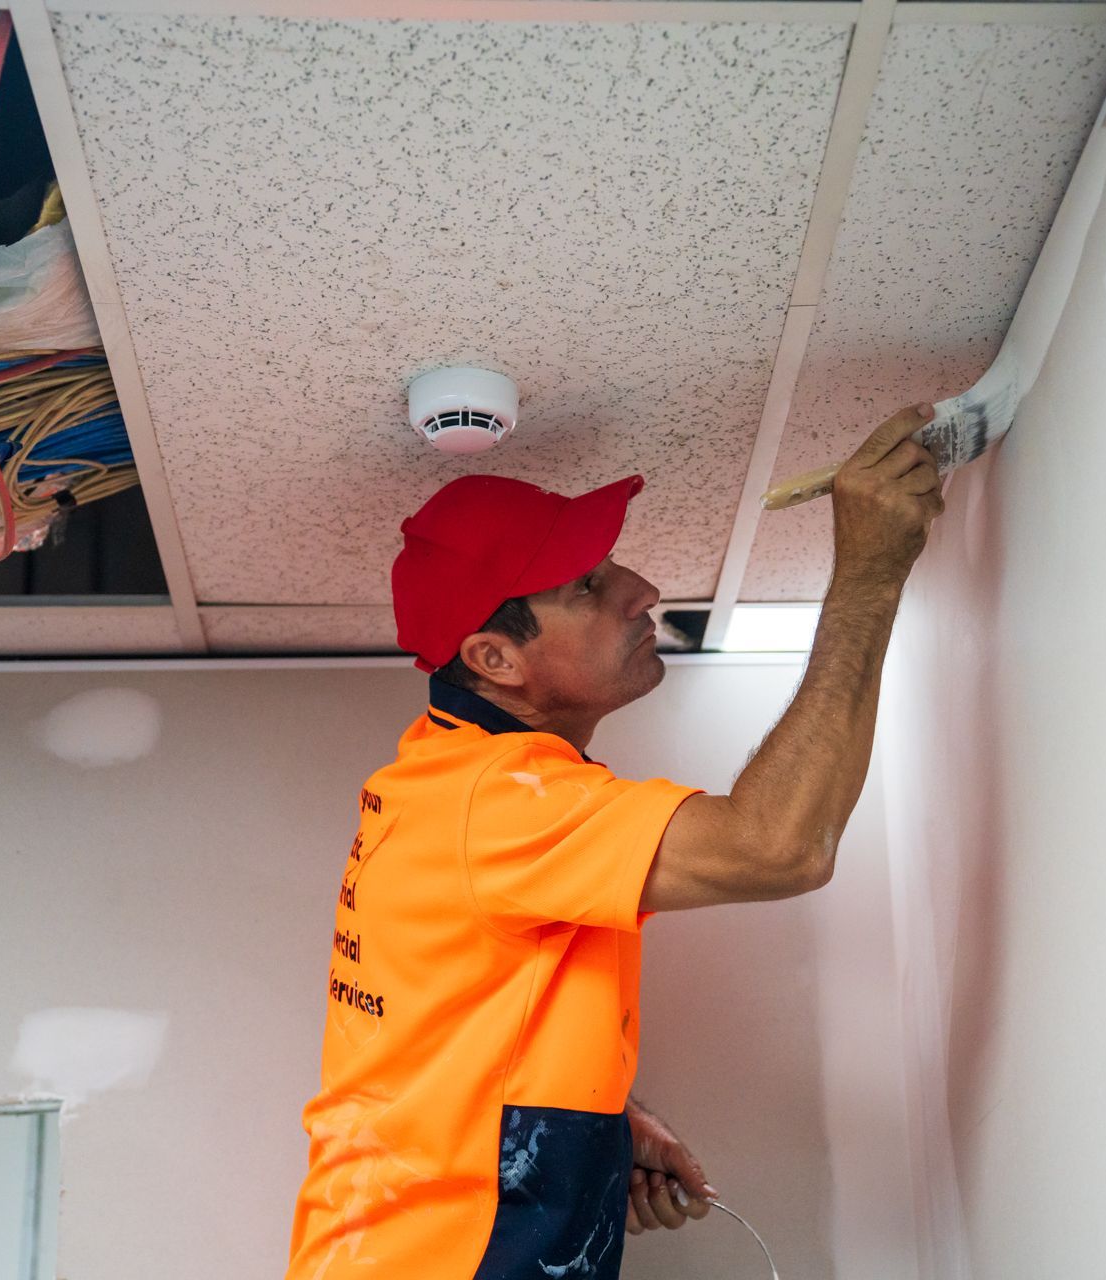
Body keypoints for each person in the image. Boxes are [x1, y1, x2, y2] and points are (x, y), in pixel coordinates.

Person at [284, 403, 945, 1279]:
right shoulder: (502, 799)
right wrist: (867, 576)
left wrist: (599, 1118)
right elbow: (779, 845)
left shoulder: (444, 780)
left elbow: (445, 1020)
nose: (637, 588)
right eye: (586, 587)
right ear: (493, 660)